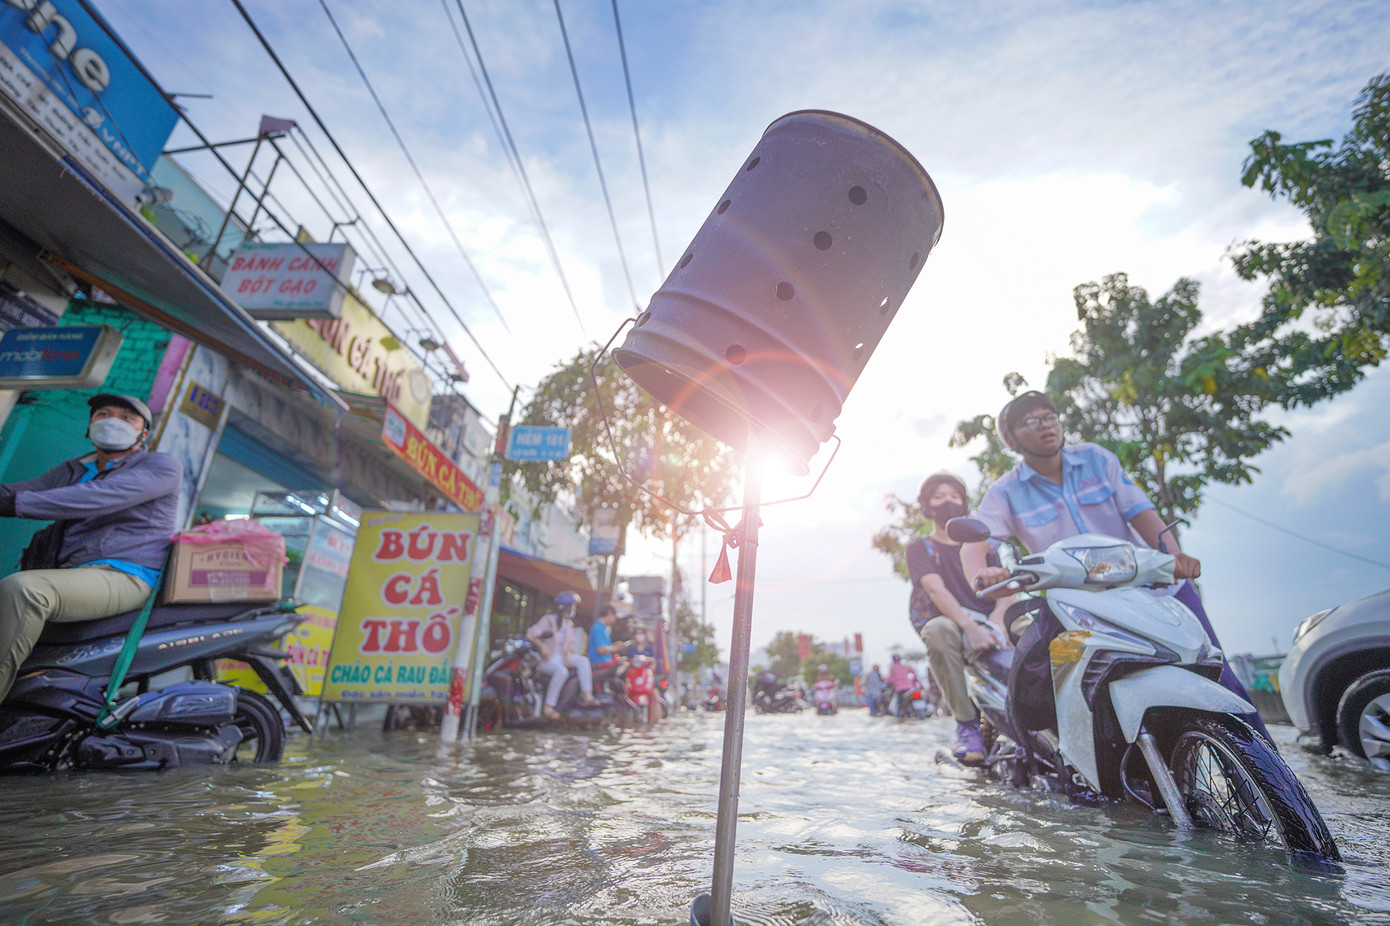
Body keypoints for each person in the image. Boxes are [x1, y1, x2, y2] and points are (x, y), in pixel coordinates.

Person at [962, 390, 1267, 737]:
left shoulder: (1096, 458)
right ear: (1011, 440)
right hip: (1079, 607)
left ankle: (1265, 764)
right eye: (1031, 421)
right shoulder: (1005, 491)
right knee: (1078, 693)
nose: (1046, 425)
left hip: (1152, 587)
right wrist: (981, 574)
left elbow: (1141, 512)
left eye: (1050, 416)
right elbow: (976, 544)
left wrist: (1172, 558)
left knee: (1217, 674)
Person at [0, 393, 180, 703]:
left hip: (126, 574)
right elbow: (18, 491)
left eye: (127, 418)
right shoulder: (75, 468)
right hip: (75, 573)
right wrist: (11, 498)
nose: (112, 422)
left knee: (25, 590)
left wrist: (17, 504)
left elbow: (98, 496)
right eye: (103, 414)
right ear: (90, 424)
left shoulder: (160, 465)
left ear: (144, 434)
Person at [909, 471, 1013, 765]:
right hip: (954, 623)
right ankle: (967, 725)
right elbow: (936, 590)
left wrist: (1000, 620)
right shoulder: (921, 549)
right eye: (939, 497)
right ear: (926, 505)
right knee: (937, 631)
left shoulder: (984, 546)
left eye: (954, 496)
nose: (948, 502)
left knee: (1038, 629)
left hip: (993, 617)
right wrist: (970, 627)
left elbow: (1007, 588)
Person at [526, 591, 598, 720]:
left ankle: (587, 695)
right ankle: (548, 706)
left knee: (583, 661)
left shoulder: (568, 624)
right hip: (545, 660)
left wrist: (568, 654)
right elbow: (530, 635)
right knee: (562, 672)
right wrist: (542, 646)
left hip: (560, 658)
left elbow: (571, 645)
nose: (574, 609)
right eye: (572, 606)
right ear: (564, 607)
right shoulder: (548, 620)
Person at [624, 625, 660, 726]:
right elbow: (627, 662)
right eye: (637, 633)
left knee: (655, 693)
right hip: (634, 676)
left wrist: (650, 671)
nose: (639, 635)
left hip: (647, 676)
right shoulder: (631, 649)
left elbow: (654, 662)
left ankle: (656, 717)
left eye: (641, 633)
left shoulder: (649, 648)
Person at [588, 603, 628, 670]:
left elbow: (605, 646)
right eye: (615, 617)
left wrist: (614, 645)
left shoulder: (604, 628)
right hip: (599, 664)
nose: (615, 620)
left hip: (605, 663)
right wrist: (616, 648)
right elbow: (601, 650)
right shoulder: (598, 628)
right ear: (610, 613)